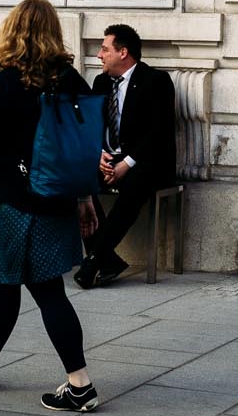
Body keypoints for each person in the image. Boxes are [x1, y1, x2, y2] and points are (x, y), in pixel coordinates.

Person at [0, 0, 104, 414]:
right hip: (58, 199)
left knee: (47, 293)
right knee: (7, 284)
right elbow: (82, 148)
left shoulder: (7, 84)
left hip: (18, 205)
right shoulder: (70, 80)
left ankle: (80, 385)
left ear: (12, 31)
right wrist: (85, 198)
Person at [75, 24, 176, 290]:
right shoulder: (101, 82)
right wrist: (98, 155)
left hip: (146, 162)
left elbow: (158, 133)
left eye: (104, 49)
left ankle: (94, 259)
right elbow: (91, 126)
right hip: (109, 159)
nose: (99, 55)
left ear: (123, 52)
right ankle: (108, 260)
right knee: (76, 177)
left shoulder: (156, 81)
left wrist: (126, 164)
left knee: (136, 182)